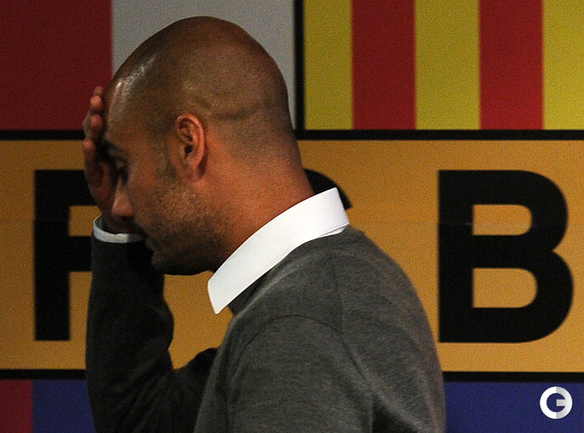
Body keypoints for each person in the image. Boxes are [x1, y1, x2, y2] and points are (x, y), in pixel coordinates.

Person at [83, 16, 445, 432]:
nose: (122, 205)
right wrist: (121, 234)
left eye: (125, 167)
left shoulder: (298, 325)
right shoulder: (330, 290)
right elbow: (145, 422)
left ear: (189, 146)